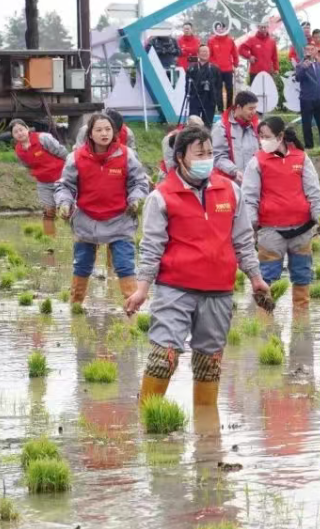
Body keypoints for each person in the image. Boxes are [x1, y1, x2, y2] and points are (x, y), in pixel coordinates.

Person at [124, 126, 269, 407]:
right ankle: (148, 421)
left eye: (210, 153)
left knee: (209, 363)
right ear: (180, 157)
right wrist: (142, 289)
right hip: (174, 289)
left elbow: (242, 240)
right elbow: (151, 246)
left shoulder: (230, 191)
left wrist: (256, 277)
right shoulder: (162, 196)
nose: (207, 158)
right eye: (199, 153)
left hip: (219, 290)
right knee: (162, 358)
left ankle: (207, 435)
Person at [56, 113, 149, 306]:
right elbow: (65, 185)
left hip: (120, 219)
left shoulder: (126, 155)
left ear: (114, 132)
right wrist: (64, 203)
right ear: (90, 134)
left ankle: (132, 311)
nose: (104, 133)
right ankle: (76, 305)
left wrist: (135, 199)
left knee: (125, 265)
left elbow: (139, 182)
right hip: (86, 219)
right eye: (98, 130)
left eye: (107, 129)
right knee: (82, 264)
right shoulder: (76, 157)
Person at [242, 117, 320, 311]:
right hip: (271, 232)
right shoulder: (257, 162)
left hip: (302, 231)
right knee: (267, 277)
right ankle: (264, 328)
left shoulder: (301, 159)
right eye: (260, 136)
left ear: (280, 137)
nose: (263, 140)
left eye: (267, 136)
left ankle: (301, 328)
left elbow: (314, 193)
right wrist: (251, 228)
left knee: (303, 276)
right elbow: (249, 198)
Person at [11, 118, 67, 237]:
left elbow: (62, 152)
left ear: (27, 128)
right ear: (13, 135)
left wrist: (71, 170)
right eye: (15, 132)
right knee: (48, 211)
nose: (19, 133)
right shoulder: (19, 150)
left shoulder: (43, 138)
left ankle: (81, 237)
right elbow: (26, 165)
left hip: (61, 178)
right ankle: (49, 239)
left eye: (21, 129)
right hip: (43, 182)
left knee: (67, 209)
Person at [211, 90, 260, 183]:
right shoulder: (221, 127)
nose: (253, 112)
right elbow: (218, 156)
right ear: (238, 107)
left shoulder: (257, 126)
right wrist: (234, 171)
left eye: (255, 108)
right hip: (230, 181)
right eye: (250, 108)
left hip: (254, 181)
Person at [294, 42, 320, 150]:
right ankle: (309, 146)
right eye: (307, 50)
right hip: (307, 99)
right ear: (304, 52)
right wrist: (304, 68)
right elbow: (298, 78)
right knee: (307, 123)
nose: (309, 52)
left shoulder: (319, 65)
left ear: (315, 51)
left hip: (319, 99)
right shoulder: (300, 65)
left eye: (311, 49)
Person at [185, 45, 221, 124]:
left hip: (209, 100)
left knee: (208, 124)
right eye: (202, 51)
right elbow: (187, 85)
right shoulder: (191, 68)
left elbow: (218, 87)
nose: (205, 53)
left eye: (207, 51)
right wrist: (190, 97)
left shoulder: (215, 68)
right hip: (195, 99)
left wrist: (218, 103)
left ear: (209, 53)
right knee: (194, 124)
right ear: (197, 54)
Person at [208, 21, 239, 111]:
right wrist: (212, 65)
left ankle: (229, 108)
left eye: (222, 28)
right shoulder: (211, 40)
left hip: (228, 69)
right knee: (218, 89)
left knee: (229, 89)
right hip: (216, 70)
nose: (220, 30)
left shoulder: (230, 40)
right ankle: (220, 109)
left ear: (225, 29)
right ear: (215, 29)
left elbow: (235, 53)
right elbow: (209, 55)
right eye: (218, 28)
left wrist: (236, 63)